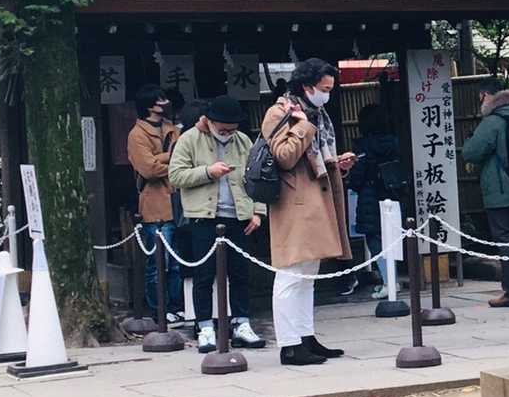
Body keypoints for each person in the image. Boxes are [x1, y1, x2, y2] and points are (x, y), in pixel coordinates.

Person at [262, 59, 357, 366]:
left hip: (314, 199)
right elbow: (284, 157)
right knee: (290, 275)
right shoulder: (280, 112)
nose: (327, 94)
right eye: (323, 88)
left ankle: (305, 336)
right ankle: (289, 345)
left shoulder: (317, 113)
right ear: (307, 86)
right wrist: (302, 125)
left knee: (308, 276)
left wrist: (337, 162)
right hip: (294, 203)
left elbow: (313, 157)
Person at [167, 96, 267, 351]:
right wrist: (208, 172)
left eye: (231, 129)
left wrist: (257, 211)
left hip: (239, 215)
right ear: (209, 122)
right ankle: (205, 327)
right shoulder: (189, 139)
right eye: (223, 129)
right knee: (204, 274)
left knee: (240, 273)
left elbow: (256, 177)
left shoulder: (242, 140)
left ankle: (241, 323)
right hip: (204, 216)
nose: (227, 134)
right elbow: (175, 176)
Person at [461, 79, 509, 307]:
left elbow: (471, 152)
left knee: (505, 240)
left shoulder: (493, 122)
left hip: (500, 191)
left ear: (487, 96)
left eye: (481, 98)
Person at [127, 84, 184, 323]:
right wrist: (171, 159)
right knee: (159, 262)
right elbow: (148, 169)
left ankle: (176, 306)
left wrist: (161, 160)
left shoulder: (172, 129)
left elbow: (185, 159)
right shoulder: (136, 134)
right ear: (149, 105)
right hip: (154, 204)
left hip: (177, 202)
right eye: (160, 100)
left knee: (177, 261)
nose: (164, 103)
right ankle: (159, 308)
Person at [346, 103, 403, 301]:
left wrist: (352, 183)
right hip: (393, 194)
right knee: (392, 239)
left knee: (375, 239)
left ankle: (389, 282)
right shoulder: (395, 142)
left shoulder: (364, 146)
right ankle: (392, 279)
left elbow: (357, 176)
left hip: (370, 196)